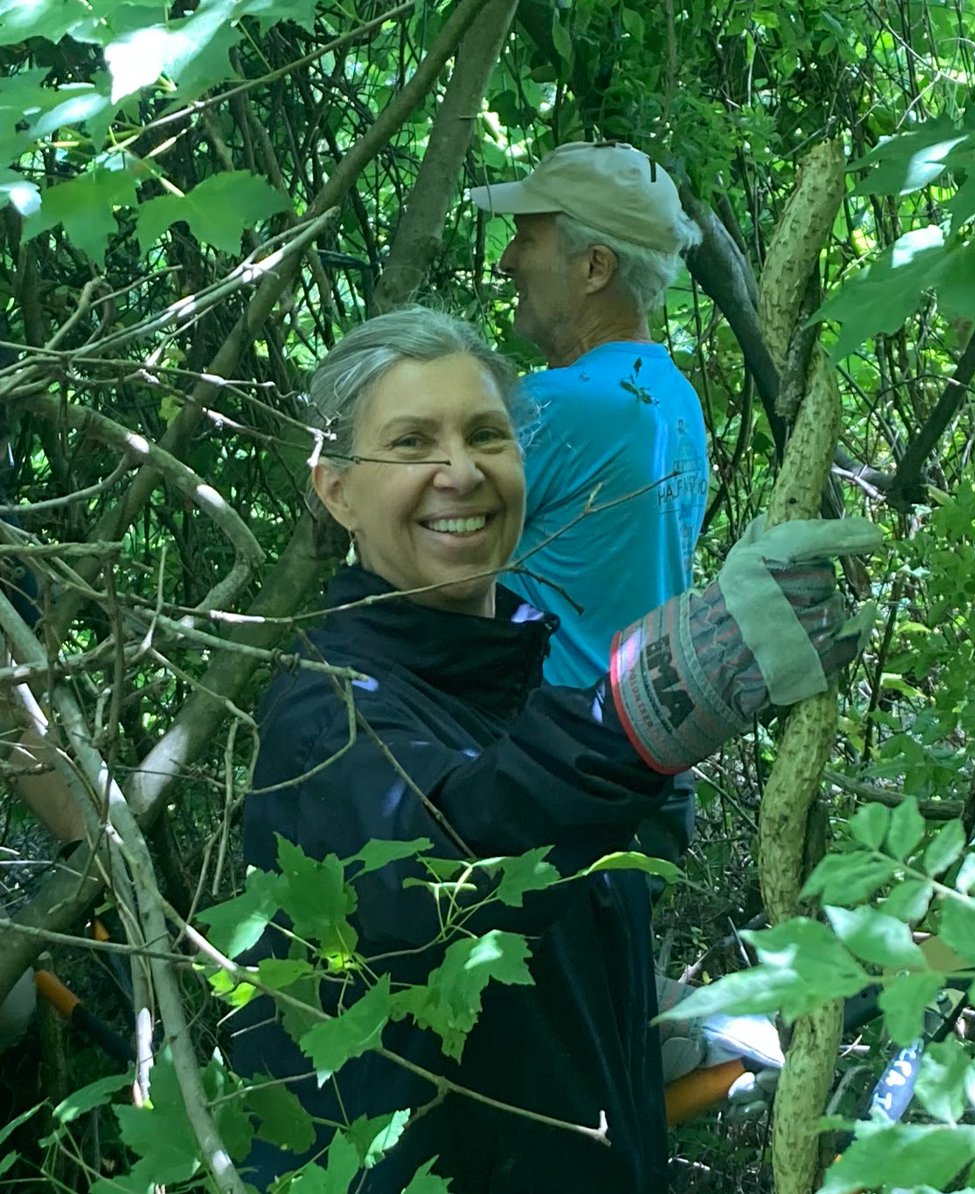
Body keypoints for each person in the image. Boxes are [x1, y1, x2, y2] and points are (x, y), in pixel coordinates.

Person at [228, 306, 881, 1192]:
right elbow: (456, 859)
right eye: (413, 441)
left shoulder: (519, 683)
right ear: (336, 489)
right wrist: (671, 687)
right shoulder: (326, 709)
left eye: (486, 435)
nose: (460, 471)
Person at [469, 140, 707, 865]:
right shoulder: (673, 396)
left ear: (595, 267)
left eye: (528, 238)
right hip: (649, 766)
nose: (508, 261)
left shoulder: (559, 406)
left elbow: (412, 560)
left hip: (560, 777)